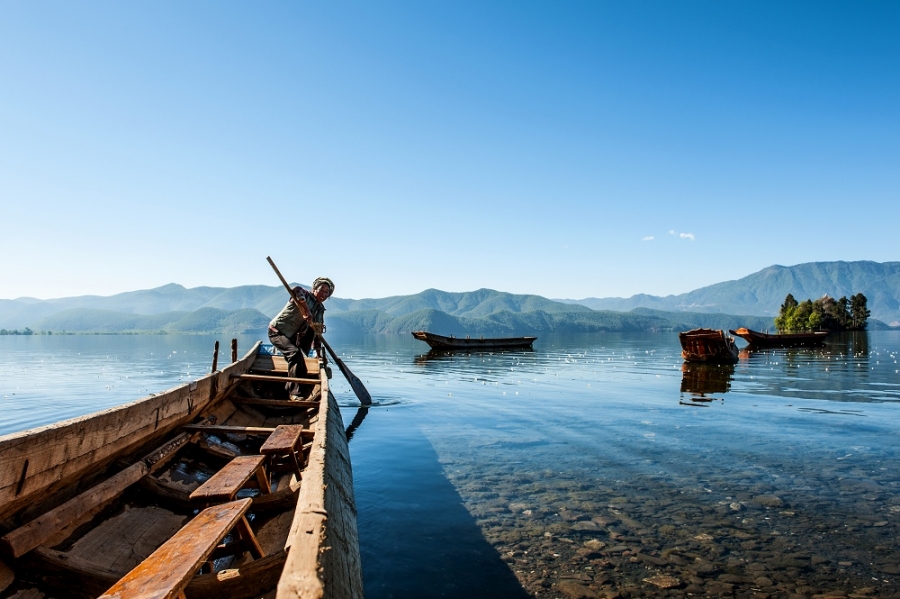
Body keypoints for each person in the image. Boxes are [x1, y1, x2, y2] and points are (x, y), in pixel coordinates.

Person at [268, 277, 334, 399]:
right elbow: (296, 289)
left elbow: (317, 333)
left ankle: (290, 387)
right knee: (294, 354)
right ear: (314, 289)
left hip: (291, 337)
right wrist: (306, 309)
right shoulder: (305, 295)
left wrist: (319, 355)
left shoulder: (319, 309)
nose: (323, 294)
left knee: (301, 364)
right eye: (321, 290)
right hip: (277, 332)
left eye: (327, 292)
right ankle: (294, 393)